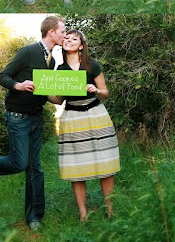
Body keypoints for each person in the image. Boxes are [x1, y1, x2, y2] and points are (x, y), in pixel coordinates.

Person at [0, 14, 66, 231]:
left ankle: (34, 217)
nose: (65, 34)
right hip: (17, 117)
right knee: (19, 163)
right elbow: (2, 76)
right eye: (63, 31)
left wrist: (68, 95)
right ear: (51, 32)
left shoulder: (54, 60)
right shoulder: (28, 51)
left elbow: (47, 91)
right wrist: (18, 86)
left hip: (36, 118)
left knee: (35, 168)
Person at [55, 29, 120, 221]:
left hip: (96, 115)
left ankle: (110, 210)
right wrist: (42, 91)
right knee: (77, 165)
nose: (69, 40)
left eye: (74, 38)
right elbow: (58, 100)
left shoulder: (92, 66)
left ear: (81, 45)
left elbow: (106, 92)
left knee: (105, 161)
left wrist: (96, 89)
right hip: (73, 117)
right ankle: (83, 213)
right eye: (66, 38)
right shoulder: (60, 70)